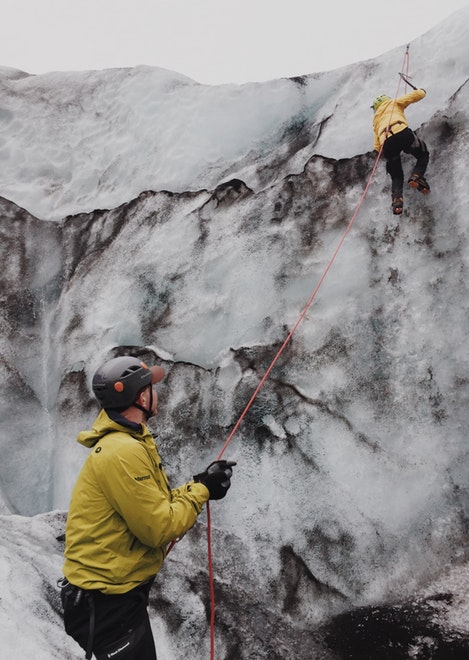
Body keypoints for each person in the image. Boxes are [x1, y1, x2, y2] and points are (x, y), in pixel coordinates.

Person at [59, 355, 235, 660]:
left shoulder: (129, 442)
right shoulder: (122, 451)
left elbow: (155, 506)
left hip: (116, 599)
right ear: (141, 397)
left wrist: (200, 484)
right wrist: (203, 490)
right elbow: (159, 528)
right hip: (107, 605)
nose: (157, 392)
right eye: (152, 387)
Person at [372, 88, 430, 215]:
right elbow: (416, 95)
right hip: (402, 134)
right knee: (423, 154)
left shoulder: (376, 121)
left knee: (396, 175)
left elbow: (377, 145)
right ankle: (417, 176)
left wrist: (387, 154)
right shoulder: (393, 103)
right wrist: (422, 91)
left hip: (386, 142)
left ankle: (397, 199)